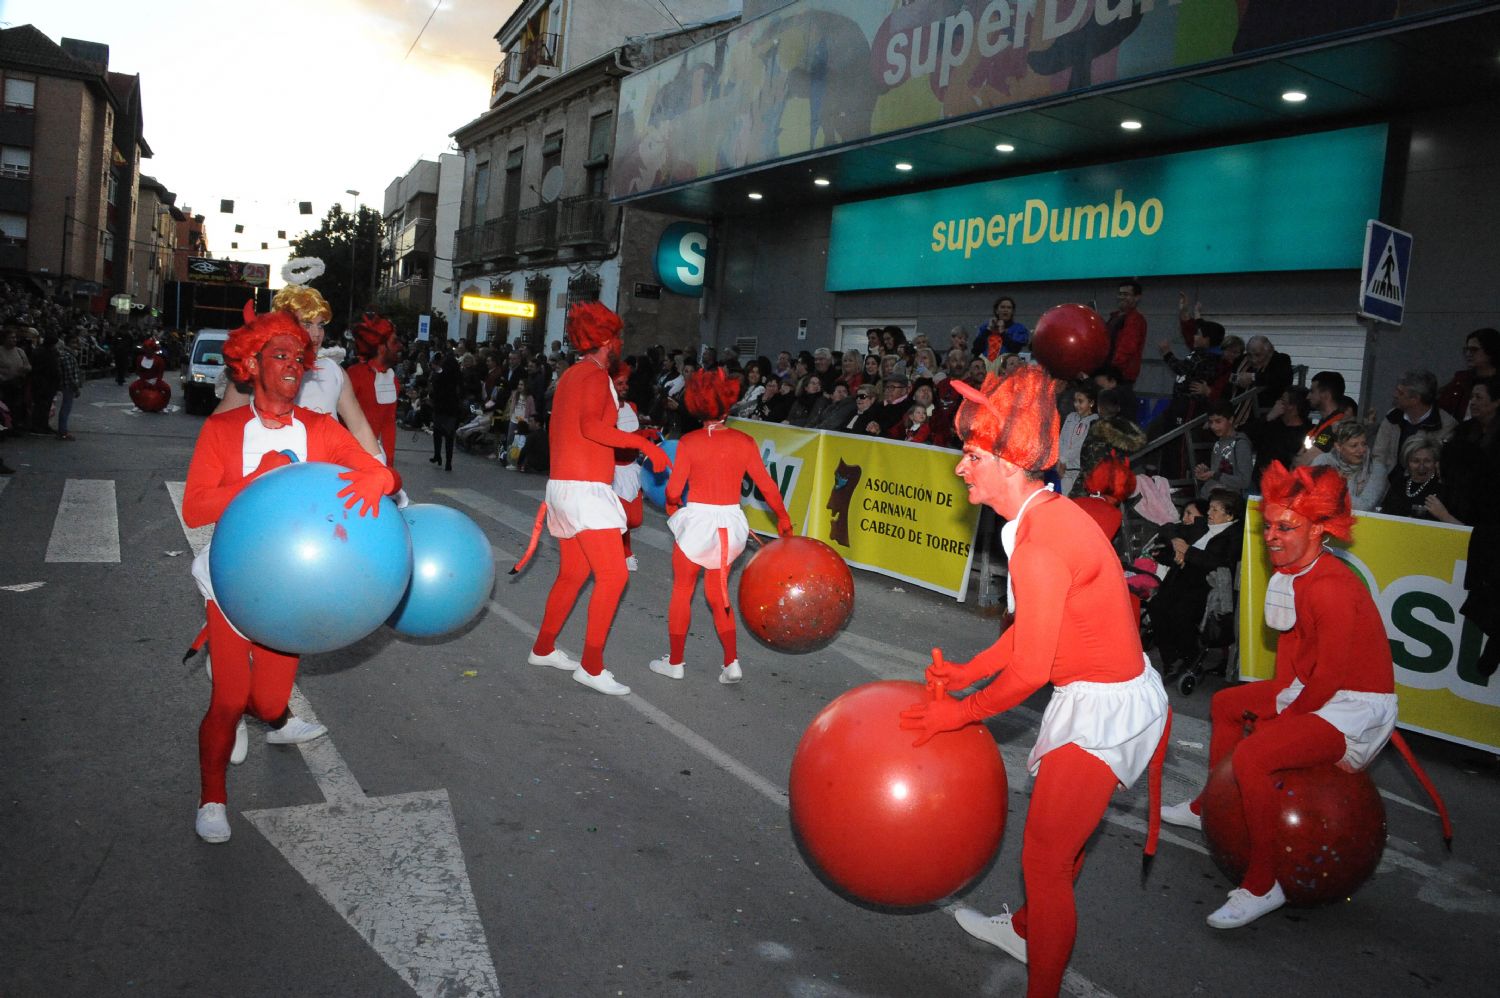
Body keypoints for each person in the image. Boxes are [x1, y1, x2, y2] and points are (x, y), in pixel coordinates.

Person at [897, 365, 1169, 998]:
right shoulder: (1040, 517)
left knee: (1044, 860)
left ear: (1009, 463)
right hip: (1102, 696)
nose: (960, 467)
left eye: (970, 455)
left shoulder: (1041, 539)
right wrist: (968, 671)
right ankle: (1026, 928)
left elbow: (1031, 670)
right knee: (1059, 845)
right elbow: (1033, 632)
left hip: (1104, 710)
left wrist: (958, 712)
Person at [182, 309, 396, 843]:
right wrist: (256, 478)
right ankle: (212, 796)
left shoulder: (320, 430)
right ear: (251, 364)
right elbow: (195, 508)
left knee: (272, 705)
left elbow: (377, 470)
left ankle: (265, 715)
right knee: (230, 699)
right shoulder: (224, 429)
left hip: (294, 594)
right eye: (279, 356)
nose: (293, 367)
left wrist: (380, 481)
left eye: (298, 358)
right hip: (233, 586)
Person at [1160, 463, 1396, 929]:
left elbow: (1328, 679)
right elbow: (1289, 656)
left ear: (1320, 529)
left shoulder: (1329, 587)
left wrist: (1279, 722)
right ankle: (1208, 803)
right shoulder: (1289, 573)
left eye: (1285, 527)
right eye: (1268, 525)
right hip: (1314, 691)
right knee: (1227, 705)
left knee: (1252, 758)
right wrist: (1277, 702)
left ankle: (1263, 883)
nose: (1271, 536)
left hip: (1354, 706)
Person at [518, 302, 670, 697]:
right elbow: (591, 427)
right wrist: (643, 445)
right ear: (606, 340)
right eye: (617, 337)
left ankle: (543, 647)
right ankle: (591, 665)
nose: (620, 343)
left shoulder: (572, 374)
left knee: (573, 574)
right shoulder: (597, 376)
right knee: (614, 575)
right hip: (585, 490)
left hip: (564, 487)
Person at [650, 369, 792, 684]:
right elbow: (767, 487)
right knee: (719, 594)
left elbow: (673, 491)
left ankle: (675, 662)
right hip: (730, 525)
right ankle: (731, 662)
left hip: (697, 522)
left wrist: (674, 505)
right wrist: (783, 518)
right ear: (728, 404)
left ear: (697, 404)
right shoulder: (744, 441)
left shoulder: (688, 442)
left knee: (682, 590)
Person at [1144, 489, 1243, 677]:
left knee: (1181, 612)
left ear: (1229, 515)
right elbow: (1168, 527)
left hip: (1203, 585)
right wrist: (1176, 543)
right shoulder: (1203, 526)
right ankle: (1169, 658)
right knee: (1157, 606)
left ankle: (1188, 654)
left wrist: (1187, 552)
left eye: (1215, 510)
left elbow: (1220, 563)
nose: (1209, 513)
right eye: (1210, 508)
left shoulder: (1234, 536)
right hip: (1181, 578)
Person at [1372, 369, 1457, 486]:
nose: (1395, 395)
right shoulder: (1392, 417)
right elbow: (1379, 456)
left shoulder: (1446, 425)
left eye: (1400, 392)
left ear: (1415, 399)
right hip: (1389, 484)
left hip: (1424, 487)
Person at [1312, 420, 1386, 511]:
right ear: (1338, 447)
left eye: (1364, 444)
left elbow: (1364, 506)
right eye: (1354, 446)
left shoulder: (1377, 469)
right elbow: (1314, 495)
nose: (1361, 450)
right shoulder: (1323, 461)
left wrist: (1335, 487)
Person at [1437, 327, 1499, 420]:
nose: (1468, 354)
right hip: (1465, 430)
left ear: (1490, 351)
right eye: (1467, 350)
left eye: (1474, 350)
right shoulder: (1461, 380)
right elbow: (1443, 406)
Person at [1195, 402, 1254, 499]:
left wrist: (1214, 474)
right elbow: (1219, 473)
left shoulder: (1241, 444)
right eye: (1211, 422)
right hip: (1212, 498)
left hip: (1228, 503)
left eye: (1218, 421)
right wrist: (1207, 473)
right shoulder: (1218, 444)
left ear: (1230, 419)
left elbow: (1245, 481)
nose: (1213, 426)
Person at [1378, 435, 1443, 520]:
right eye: (1416, 461)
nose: (1421, 466)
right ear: (1407, 462)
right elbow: (1384, 515)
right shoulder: (1399, 484)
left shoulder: (1441, 487)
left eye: (1427, 461)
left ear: (1435, 462)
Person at [1099, 279, 1147, 386]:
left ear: (1137, 297)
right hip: (1109, 373)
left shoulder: (1135, 320)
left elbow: (1127, 347)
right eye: (1120, 294)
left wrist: (1113, 371)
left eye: (1126, 294)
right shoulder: (1114, 317)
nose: (1121, 297)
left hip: (1119, 376)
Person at [1057, 382, 1098, 496]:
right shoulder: (1071, 417)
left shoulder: (1093, 422)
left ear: (1091, 403)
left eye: (1081, 401)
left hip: (1076, 469)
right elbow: (1062, 438)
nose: (1076, 404)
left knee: (1069, 498)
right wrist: (1060, 459)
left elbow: (1079, 445)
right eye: (1075, 401)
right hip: (1062, 465)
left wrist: (1064, 459)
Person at [427, 348, 463, 471]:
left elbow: (434, 390)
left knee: (437, 432)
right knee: (449, 435)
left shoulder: (440, 375)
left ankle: (437, 455)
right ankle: (448, 461)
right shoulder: (456, 376)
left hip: (440, 406)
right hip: (452, 407)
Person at [972, 295, 1029, 364]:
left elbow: (1015, 349)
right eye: (1002, 307)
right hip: (985, 367)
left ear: (1012, 312)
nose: (1005, 310)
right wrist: (988, 330)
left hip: (1006, 368)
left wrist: (1002, 332)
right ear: (996, 311)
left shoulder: (1019, 328)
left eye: (1009, 308)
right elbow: (975, 350)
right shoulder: (985, 327)